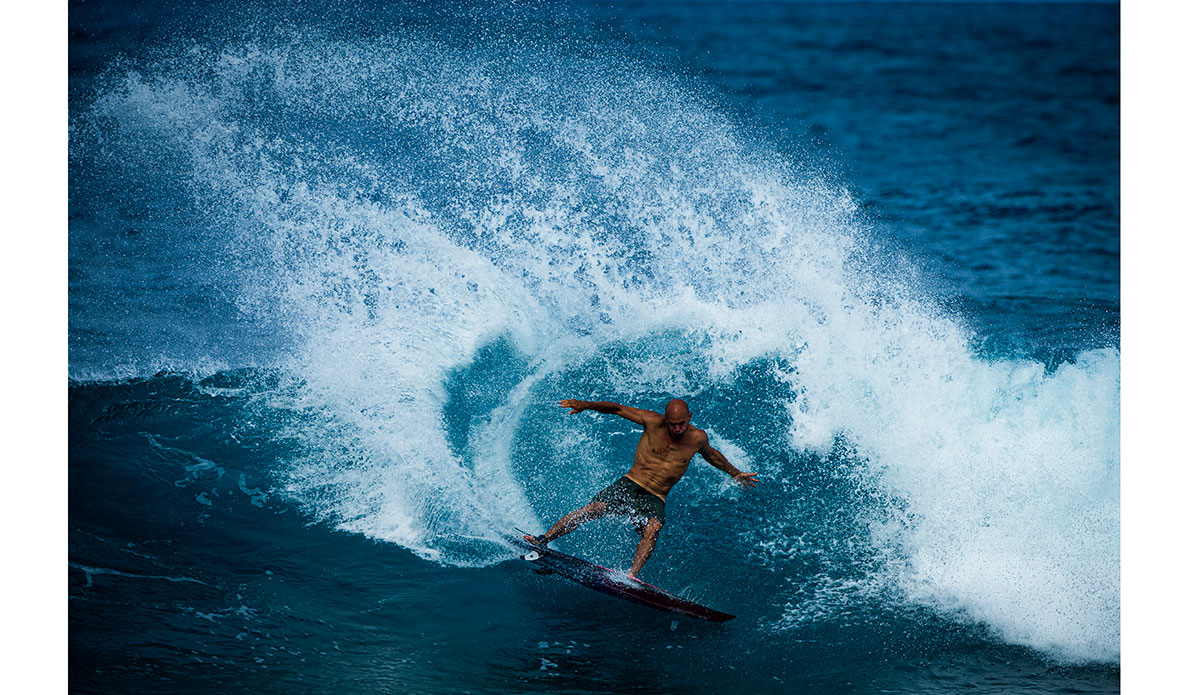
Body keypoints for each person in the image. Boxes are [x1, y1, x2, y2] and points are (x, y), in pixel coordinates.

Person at [523, 398, 759, 578]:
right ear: (665, 419)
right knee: (594, 508)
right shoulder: (652, 421)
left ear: (689, 417)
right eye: (673, 424)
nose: (677, 428)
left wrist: (735, 473)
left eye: (682, 424)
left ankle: (631, 577)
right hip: (631, 483)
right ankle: (543, 539)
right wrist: (585, 405)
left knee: (653, 528)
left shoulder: (698, 438)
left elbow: (712, 455)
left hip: (656, 496)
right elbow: (617, 409)